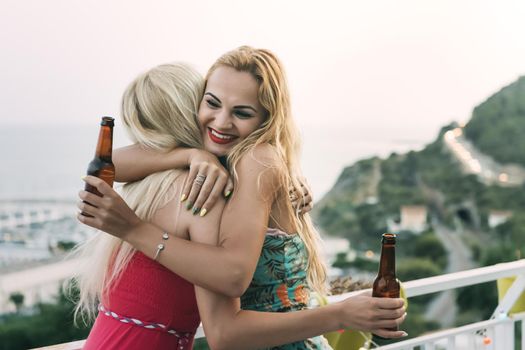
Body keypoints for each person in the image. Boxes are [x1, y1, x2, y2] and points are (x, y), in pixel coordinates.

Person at [76, 47, 407, 349]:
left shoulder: (254, 162)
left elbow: (230, 296)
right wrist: (190, 155)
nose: (221, 122)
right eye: (212, 103)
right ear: (196, 105)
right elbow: (107, 163)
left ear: (266, 117)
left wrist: (134, 228)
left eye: (243, 112)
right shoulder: (224, 168)